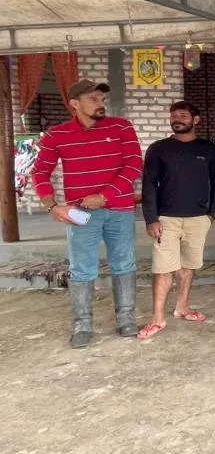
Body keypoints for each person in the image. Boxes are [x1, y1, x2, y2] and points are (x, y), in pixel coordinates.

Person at [32, 79, 143, 348]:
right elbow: (40, 172)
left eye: (102, 99)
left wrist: (104, 196)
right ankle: (83, 324)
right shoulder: (57, 135)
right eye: (93, 99)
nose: (100, 103)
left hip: (119, 210)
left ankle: (126, 319)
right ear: (74, 104)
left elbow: (134, 166)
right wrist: (52, 206)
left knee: (124, 264)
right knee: (81, 269)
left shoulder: (121, 127)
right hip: (80, 214)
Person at [138, 101, 215, 340]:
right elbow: (149, 186)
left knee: (188, 266)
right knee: (163, 268)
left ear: (195, 120)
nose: (177, 119)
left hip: (198, 219)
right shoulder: (159, 149)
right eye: (174, 115)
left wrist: (211, 215)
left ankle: (182, 307)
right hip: (166, 219)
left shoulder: (208, 149)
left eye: (183, 115)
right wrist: (151, 218)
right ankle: (157, 318)